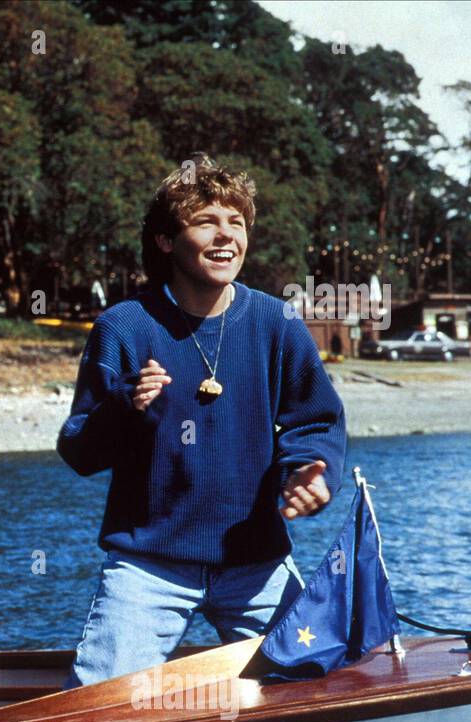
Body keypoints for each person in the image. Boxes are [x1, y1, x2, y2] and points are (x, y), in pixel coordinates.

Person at [58, 155, 346, 685]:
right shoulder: (123, 326)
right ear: (166, 240)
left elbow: (316, 421)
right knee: (98, 704)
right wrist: (124, 405)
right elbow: (78, 450)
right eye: (206, 221)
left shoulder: (277, 322)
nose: (226, 235)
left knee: (317, 683)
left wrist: (311, 468)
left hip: (255, 562)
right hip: (149, 564)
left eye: (236, 222)